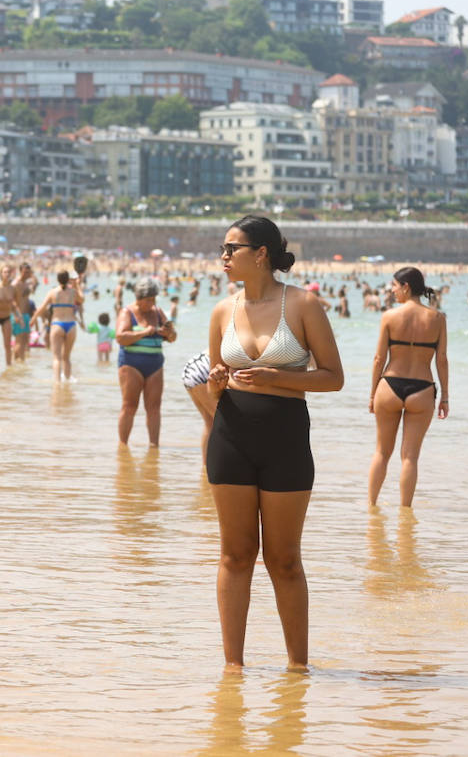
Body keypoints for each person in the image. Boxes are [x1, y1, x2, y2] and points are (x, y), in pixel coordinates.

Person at [205, 215, 343, 671]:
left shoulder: (303, 305)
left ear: (260, 254)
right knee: (235, 553)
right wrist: (218, 379)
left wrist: (275, 377)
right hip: (229, 437)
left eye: (232, 249)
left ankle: (298, 669)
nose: (223, 257)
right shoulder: (222, 311)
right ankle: (232, 669)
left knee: (283, 559)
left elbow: (333, 378)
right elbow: (214, 386)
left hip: (286, 439)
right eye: (223, 249)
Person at [368, 267, 450, 507]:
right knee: (410, 458)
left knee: (381, 453)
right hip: (422, 388)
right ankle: (405, 513)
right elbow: (442, 359)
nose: (392, 291)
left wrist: (373, 394)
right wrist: (445, 397)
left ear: (406, 286)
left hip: (390, 385)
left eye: (394, 286)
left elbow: (378, 360)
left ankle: (371, 507)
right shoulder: (437, 318)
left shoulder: (389, 317)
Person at [116, 278, 175, 448]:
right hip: (130, 364)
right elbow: (120, 337)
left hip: (155, 365)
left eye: (154, 299)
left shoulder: (157, 312)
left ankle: (154, 446)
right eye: (149, 299)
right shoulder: (127, 312)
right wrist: (144, 332)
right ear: (139, 297)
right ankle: (123, 446)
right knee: (129, 406)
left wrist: (168, 333)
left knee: (154, 407)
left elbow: (173, 337)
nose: (152, 303)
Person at [34, 270, 84, 383]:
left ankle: (57, 383)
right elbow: (82, 299)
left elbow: (42, 308)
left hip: (57, 324)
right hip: (71, 325)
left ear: (57, 279)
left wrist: (33, 320)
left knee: (56, 358)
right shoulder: (73, 292)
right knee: (66, 357)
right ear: (68, 279)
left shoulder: (53, 292)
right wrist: (77, 285)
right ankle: (68, 381)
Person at [180, 350, 216, 465]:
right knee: (223, 423)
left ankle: (206, 469)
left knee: (210, 422)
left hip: (195, 366)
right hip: (205, 368)